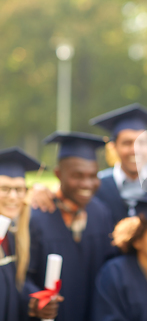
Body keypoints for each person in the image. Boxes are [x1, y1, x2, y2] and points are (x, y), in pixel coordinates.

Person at [23, 132, 115, 321]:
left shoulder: (101, 213)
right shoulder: (37, 218)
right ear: (58, 174)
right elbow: (22, 274)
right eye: (77, 176)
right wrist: (35, 300)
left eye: (93, 175)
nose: (87, 184)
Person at [0, 148, 42, 321]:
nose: (13, 196)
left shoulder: (13, 235)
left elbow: (16, 286)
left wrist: (35, 301)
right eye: (4, 188)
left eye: (19, 189)